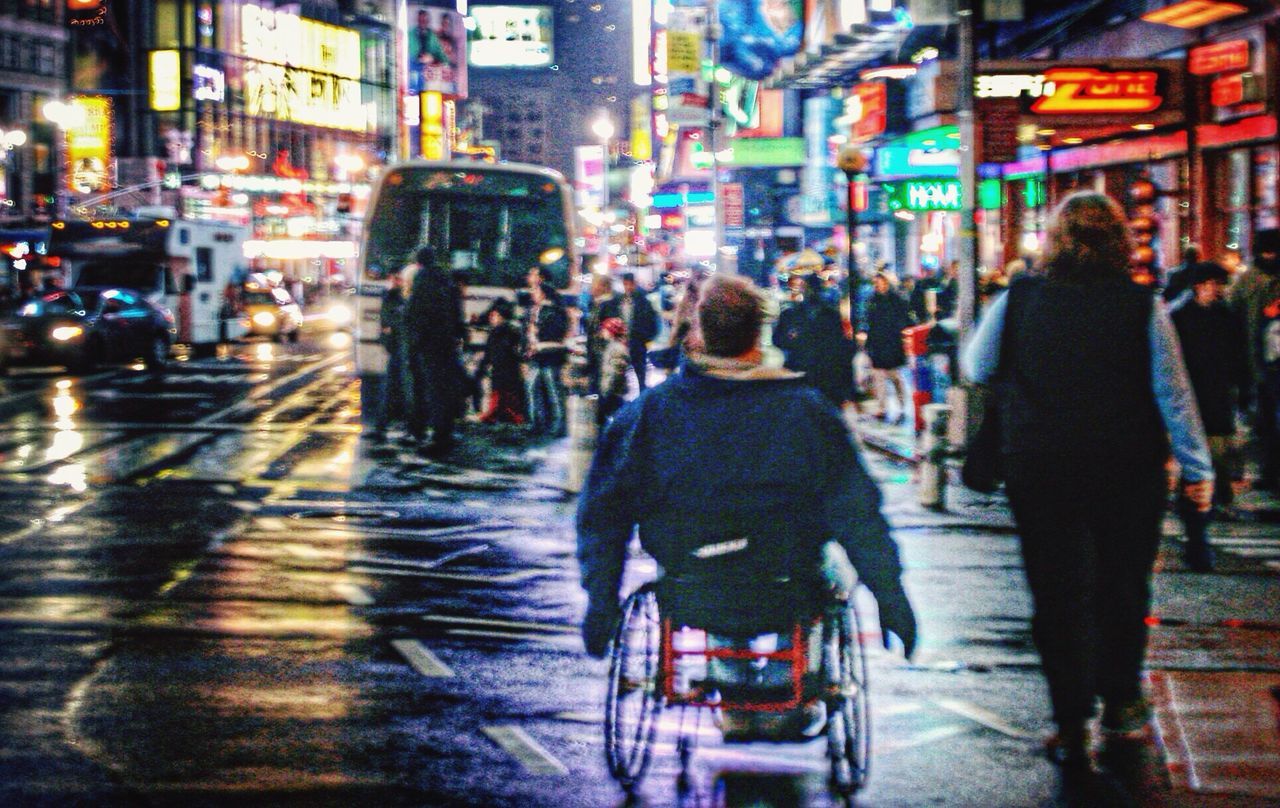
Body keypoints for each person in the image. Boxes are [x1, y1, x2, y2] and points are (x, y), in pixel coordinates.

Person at [577, 274, 917, 733]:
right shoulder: (807, 411)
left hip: (690, 579)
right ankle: (783, 688)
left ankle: (734, 689)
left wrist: (602, 601)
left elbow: (604, 512)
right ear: (758, 335)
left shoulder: (650, 414)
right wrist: (889, 594)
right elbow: (856, 512)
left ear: (697, 330)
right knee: (829, 576)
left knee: (714, 560)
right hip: (787, 577)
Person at [962, 191, 1213, 782]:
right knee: (1121, 585)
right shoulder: (1139, 305)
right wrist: (1198, 468)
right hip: (1126, 468)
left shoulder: (1019, 298)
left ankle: (1070, 721)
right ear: (1120, 244)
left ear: (1053, 240)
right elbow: (1172, 392)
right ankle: (1122, 706)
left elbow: (975, 366)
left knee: (1056, 593)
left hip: (1041, 466)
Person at [1170, 261, 1249, 571]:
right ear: (1198, 285)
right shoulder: (1179, 317)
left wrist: (1243, 388)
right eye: (1213, 283)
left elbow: (1239, 356)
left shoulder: (1225, 317)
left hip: (1215, 401)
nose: (1218, 289)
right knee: (1195, 465)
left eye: (1220, 284)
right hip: (1189, 402)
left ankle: (1203, 517)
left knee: (1214, 460)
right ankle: (1196, 530)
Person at [1227, 228, 1280, 491]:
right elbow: (1233, 323)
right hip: (1257, 364)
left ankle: (1270, 473)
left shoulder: (1246, 281)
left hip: (1267, 363)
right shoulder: (1245, 282)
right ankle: (1269, 472)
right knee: (1264, 422)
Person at [404, 245, 466, 457]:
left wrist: (413, 340)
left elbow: (414, 312)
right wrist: (458, 335)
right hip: (447, 343)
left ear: (419, 263)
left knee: (430, 390)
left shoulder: (422, 279)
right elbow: (457, 311)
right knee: (444, 390)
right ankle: (445, 432)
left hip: (429, 345)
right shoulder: (446, 279)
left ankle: (437, 437)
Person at [774, 272, 855, 410]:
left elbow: (841, 350)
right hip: (808, 373)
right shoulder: (792, 315)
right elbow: (779, 339)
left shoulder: (829, 316)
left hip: (821, 375)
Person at [861, 272, 911, 423]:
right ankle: (882, 408)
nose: (876, 285)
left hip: (892, 342)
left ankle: (902, 405)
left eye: (879, 282)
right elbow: (869, 320)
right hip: (877, 342)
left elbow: (904, 319)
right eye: (875, 282)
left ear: (886, 282)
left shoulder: (896, 299)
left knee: (895, 376)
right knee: (879, 377)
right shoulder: (872, 300)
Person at [600, 272, 659, 392]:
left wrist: (645, 338)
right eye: (626, 284)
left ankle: (641, 397)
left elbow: (652, 322)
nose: (628, 287)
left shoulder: (643, 302)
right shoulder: (615, 302)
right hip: (619, 343)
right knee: (619, 373)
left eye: (630, 284)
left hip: (637, 342)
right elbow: (605, 318)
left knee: (640, 373)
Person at [525, 281, 569, 436]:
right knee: (534, 389)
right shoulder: (536, 311)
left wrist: (536, 337)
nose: (532, 293)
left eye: (535, 290)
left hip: (549, 357)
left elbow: (554, 335)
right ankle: (538, 423)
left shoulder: (553, 312)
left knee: (553, 392)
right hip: (539, 357)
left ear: (543, 293)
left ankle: (558, 425)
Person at [370, 271, 409, 440]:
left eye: (397, 279)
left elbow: (394, 324)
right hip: (396, 350)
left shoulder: (404, 299)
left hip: (404, 350)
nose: (393, 282)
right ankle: (382, 427)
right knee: (391, 389)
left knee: (403, 390)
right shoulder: (391, 297)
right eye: (391, 279)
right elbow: (385, 325)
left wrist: (390, 330)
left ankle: (403, 427)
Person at [476, 298, 525, 425]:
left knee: (500, 399)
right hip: (508, 374)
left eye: (494, 315)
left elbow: (489, 355)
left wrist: (481, 371)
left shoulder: (498, 333)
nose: (491, 318)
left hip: (502, 373)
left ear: (501, 317)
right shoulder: (512, 332)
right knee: (509, 400)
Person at [582, 274, 615, 395]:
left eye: (594, 284)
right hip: (596, 353)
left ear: (604, 286)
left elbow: (608, 330)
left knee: (604, 388)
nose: (591, 288)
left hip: (603, 354)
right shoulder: (596, 304)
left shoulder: (608, 305)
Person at [596, 317, 630, 425]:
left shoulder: (616, 348)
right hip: (613, 388)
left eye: (605, 329)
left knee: (613, 415)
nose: (602, 332)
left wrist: (607, 389)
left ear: (612, 332)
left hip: (613, 389)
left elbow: (616, 372)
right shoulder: (613, 347)